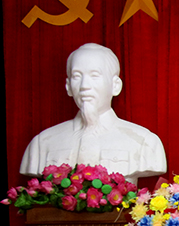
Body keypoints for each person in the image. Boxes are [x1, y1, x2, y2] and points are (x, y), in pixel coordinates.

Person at [19, 43, 167, 183]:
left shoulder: (144, 142)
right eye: (77, 76)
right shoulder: (42, 143)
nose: (84, 86)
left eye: (94, 75)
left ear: (115, 85)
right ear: (68, 86)